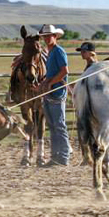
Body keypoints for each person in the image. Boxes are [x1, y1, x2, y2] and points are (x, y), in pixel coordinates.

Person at [36, 25, 71, 167]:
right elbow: (51, 74)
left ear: (55, 36)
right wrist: (43, 85)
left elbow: (64, 71)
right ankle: (56, 156)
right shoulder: (50, 52)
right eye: (44, 36)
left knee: (59, 124)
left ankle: (63, 156)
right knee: (52, 125)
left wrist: (50, 84)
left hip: (57, 93)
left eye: (49, 35)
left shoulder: (58, 51)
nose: (46, 38)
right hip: (50, 93)